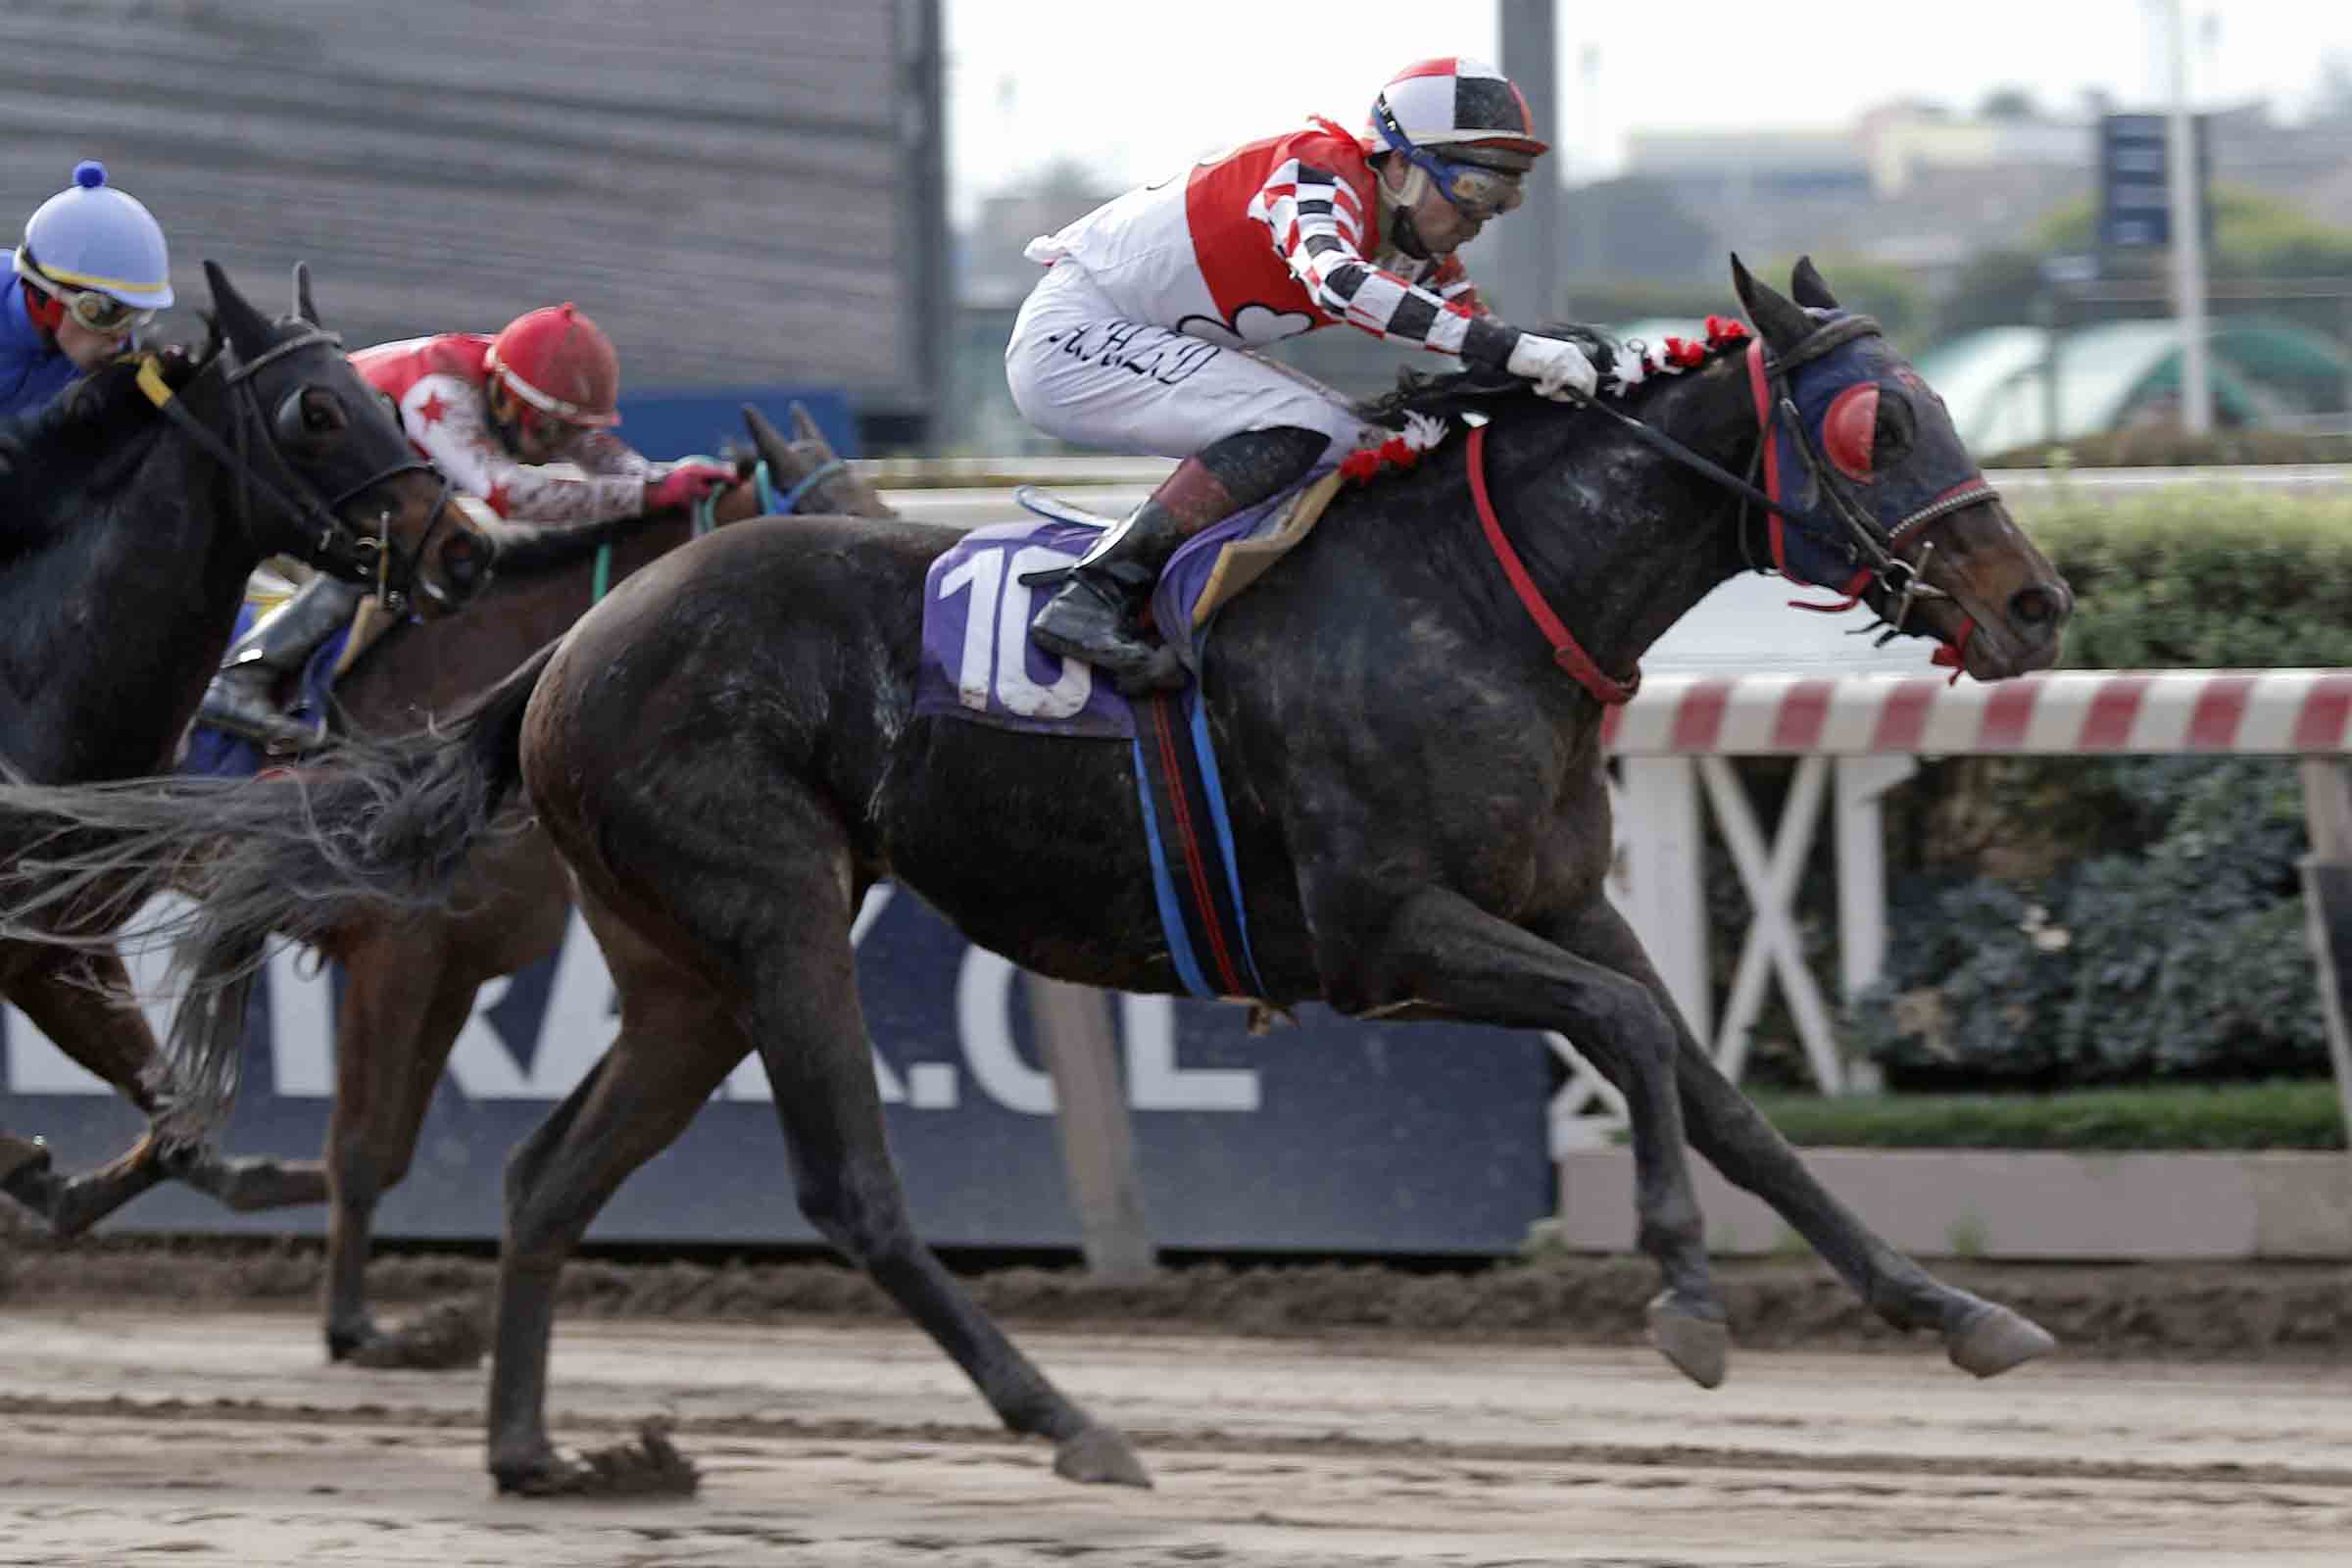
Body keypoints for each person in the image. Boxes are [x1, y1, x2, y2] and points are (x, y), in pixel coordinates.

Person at [1005, 57, 1598, 691]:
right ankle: (1094, 594)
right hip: (1071, 337)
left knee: (1363, 441)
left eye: (1505, 196)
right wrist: (1513, 348)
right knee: (1304, 423)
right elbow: (1338, 281)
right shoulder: (1313, 170)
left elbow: (1482, 346)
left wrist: (1601, 371)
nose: (1481, 218)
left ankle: (1237, 613)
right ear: (1399, 165)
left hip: (1130, 338)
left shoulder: (1413, 247)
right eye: (1475, 187)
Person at [197, 302, 735, 750]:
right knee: (391, 551)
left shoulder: (521, 383)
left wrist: (671, 478)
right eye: (546, 428)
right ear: (502, 393)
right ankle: (243, 678)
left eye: (566, 431)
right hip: (285, 489)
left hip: (353, 491)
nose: (555, 445)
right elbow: (508, 494)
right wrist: (651, 492)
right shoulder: (441, 393)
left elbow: (597, 453)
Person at [1, 161, 172, 420]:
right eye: (106, 312)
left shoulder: (116, 355)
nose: (120, 337)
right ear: (49, 304)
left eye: (136, 314)